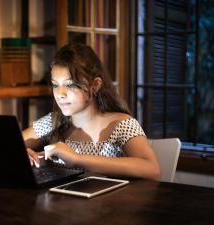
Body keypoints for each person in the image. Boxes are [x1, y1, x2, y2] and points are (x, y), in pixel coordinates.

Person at [23, 43, 161, 180]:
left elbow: (152, 170)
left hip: (111, 201)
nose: (60, 94)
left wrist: (77, 158)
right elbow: (5, 145)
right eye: (55, 85)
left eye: (70, 84)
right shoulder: (54, 122)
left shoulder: (121, 124)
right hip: (63, 200)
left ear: (95, 85)